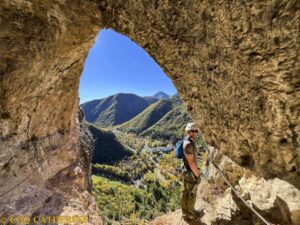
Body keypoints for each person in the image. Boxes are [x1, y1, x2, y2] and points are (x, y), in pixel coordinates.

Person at [180, 122, 204, 221]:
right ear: (188, 132)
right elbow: (191, 162)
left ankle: (185, 213)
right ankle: (191, 214)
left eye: (196, 131)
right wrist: (197, 175)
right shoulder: (189, 144)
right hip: (190, 173)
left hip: (185, 171)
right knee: (191, 194)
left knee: (185, 192)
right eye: (193, 131)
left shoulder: (186, 141)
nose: (196, 133)